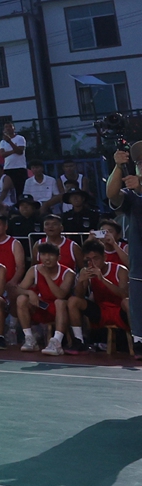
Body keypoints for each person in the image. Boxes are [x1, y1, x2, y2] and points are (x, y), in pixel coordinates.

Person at [106, 149, 142, 358]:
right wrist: (118, 167)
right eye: (138, 161)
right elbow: (112, 194)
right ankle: (139, 339)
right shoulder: (133, 196)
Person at [15, 243, 74, 355]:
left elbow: (60, 295)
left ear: (58, 257)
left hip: (59, 311)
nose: (46, 258)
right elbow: (19, 289)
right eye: (43, 254)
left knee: (60, 302)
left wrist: (46, 275)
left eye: (51, 255)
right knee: (21, 299)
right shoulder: (34, 270)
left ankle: (57, 342)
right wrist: (29, 292)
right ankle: (30, 339)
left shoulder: (68, 273)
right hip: (40, 307)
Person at [0, 122, 28, 194]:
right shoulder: (2, 142)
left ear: (14, 128)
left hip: (19, 167)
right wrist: (13, 151)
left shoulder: (20, 138)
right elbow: (2, 154)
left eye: (10, 127)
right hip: (8, 168)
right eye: (6, 127)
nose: (8, 128)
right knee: (8, 189)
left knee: (20, 189)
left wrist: (10, 142)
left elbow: (20, 151)